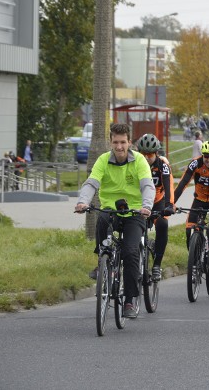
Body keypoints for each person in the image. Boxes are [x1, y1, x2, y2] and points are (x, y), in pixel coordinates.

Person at [75, 123, 155, 319]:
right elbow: (91, 183)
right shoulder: (103, 160)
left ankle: (129, 300)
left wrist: (146, 206)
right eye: (115, 142)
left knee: (130, 252)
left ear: (129, 142)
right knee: (102, 217)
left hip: (135, 212)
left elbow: (147, 186)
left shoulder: (139, 161)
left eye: (123, 142)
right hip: (111, 209)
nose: (119, 147)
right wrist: (82, 202)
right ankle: (102, 257)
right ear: (110, 142)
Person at [135, 134, 175, 280]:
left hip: (158, 200)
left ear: (156, 153)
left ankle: (157, 265)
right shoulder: (133, 163)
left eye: (150, 154)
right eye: (143, 154)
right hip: (138, 201)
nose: (146, 158)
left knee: (163, 225)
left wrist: (170, 205)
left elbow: (169, 185)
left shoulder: (162, 165)